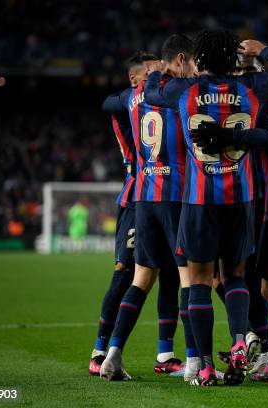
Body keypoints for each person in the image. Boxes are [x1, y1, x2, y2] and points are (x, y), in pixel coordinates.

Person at [144, 29, 268, 386]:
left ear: (198, 60)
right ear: (234, 58)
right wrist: (265, 51)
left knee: (199, 280)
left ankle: (202, 366)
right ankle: (237, 343)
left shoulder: (181, 90)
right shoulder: (256, 87)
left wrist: (158, 69)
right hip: (241, 198)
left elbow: (152, 91)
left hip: (199, 200)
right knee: (234, 276)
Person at [88, 51, 156, 376]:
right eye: (152, 73)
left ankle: (169, 354)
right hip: (136, 195)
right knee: (125, 272)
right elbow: (108, 103)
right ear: (134, 78)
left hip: (160, 194)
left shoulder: (151, 100)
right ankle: (100, 351)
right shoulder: (129, 102)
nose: (159, 78)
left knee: (172, 274)